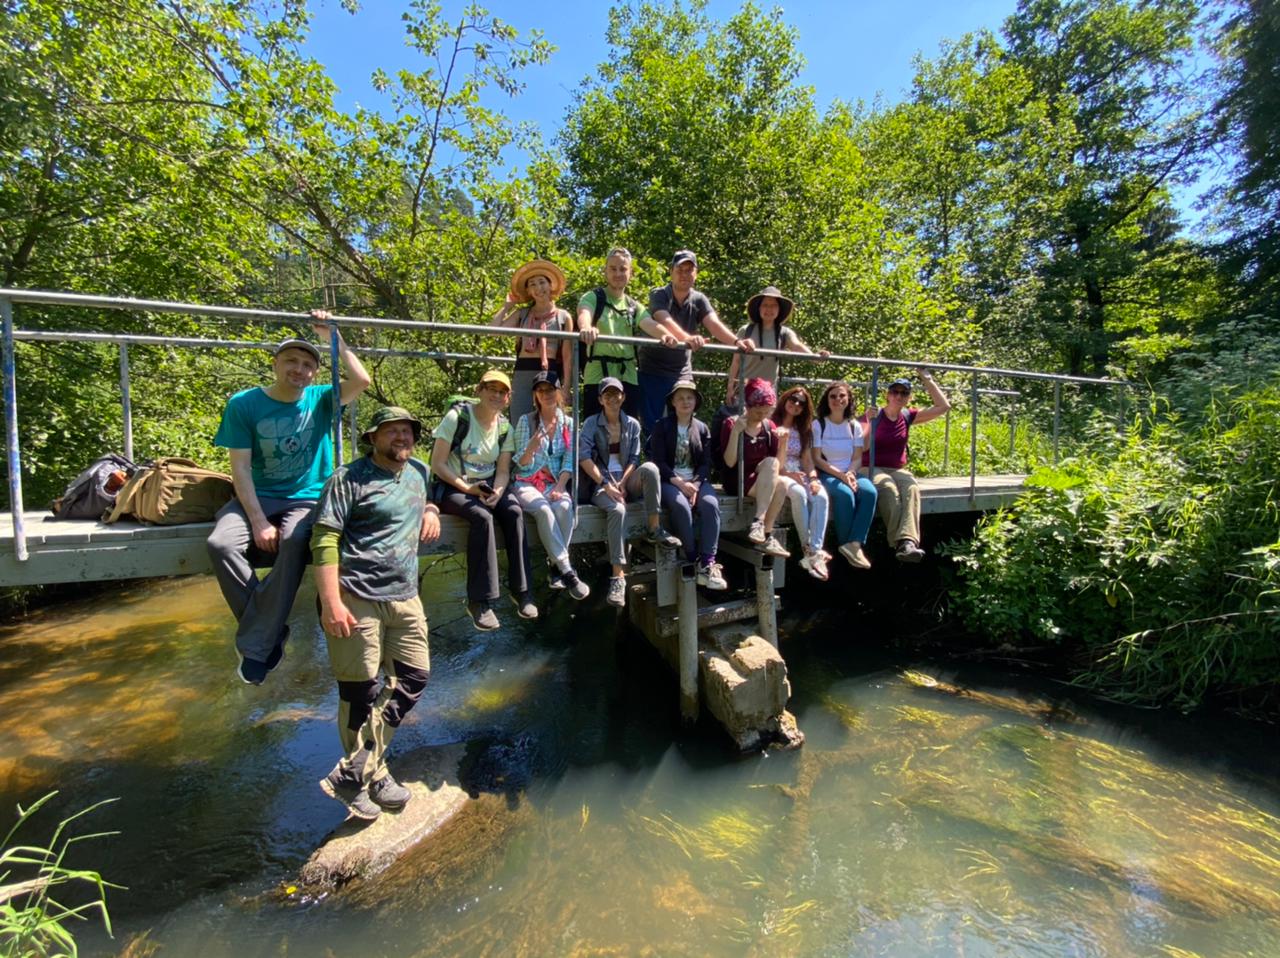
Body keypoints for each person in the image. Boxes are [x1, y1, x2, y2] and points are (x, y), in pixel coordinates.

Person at [208, 311, 371, 686]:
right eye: (290, 362)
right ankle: (268, 631)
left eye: (307, 365)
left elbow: (361, 379)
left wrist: (334, 337)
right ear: (275, 364)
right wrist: (258, 521)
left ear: (315, 372)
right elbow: (241, 469)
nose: (299, 370)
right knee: (219, 543)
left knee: (297, 540)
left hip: (307, 497)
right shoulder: (244, 404)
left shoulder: (321, 398)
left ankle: (258, 640)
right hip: (259, 496)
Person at [311, 406, 440, 821]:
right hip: (355, 597)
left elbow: (429, 498)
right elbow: (325, 539)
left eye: (407, 430)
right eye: (392, 431)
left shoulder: (419, 471)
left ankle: (353, 773)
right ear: (373, 437)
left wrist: (432, 511)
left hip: (405, 596)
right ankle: (375, 773)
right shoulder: (347, 479)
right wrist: (331, 602)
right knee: (360, 692)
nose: (401, 437)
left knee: (413, 678)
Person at [430, 369, 536, 630]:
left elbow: (502, 470)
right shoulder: (458, 418)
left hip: (488, 484)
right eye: (492, 389)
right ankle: (480, 601)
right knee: (482, 517)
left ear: (508, 398)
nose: (496, 395)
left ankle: (522, 592)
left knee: (513, 511)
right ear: (480, 390)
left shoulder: (504, 427)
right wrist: (467, 488)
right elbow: (437, 464)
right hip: (453, 484)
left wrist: (499, 491)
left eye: (502, 392)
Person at [578, 377, 681, 607]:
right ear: (600, 399)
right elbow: (583, 457)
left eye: (617, 394)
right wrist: (606, 484)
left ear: (623, 396)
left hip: (625, 480)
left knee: (651, 468)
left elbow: (635, 458)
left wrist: (623, 483)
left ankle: (654, 528)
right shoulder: (591, 424)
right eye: (608, 395)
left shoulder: (632, 424)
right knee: (617, 509)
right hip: (600, 484)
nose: (613, 399)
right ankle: (618, 576)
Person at [638, 250, 753, 432]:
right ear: (671, 272)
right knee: (653, 425)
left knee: (684, 421)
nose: (684, 274)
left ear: (696, 273)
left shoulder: (699, 299)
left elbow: (713, 323)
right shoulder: (659, 294)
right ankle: (654, 460)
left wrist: (736, 342)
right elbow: (663, 319)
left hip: (681, 371)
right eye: (680, 269)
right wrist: (688, 338)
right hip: (653, 370)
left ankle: (682, 459)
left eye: (689, 270)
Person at [511, 371, 590, 601]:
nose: (545, 394)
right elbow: (520, 464)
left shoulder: (569, 422)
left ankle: (555, 569)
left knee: (564, 507)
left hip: (555, 482)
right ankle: (567, 571)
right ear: (535, 395)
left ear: (558, 392)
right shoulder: (526, 421)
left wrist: (561, 485)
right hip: (527, 481)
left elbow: (569, 458)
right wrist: (531, 448)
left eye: (550, 389)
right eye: (540, 390)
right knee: (544, 510)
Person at [576, 247, 678, 420]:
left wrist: (666, 335)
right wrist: (586, 327)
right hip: (597, 374)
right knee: (593, 427)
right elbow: (584, 313)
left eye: (623, 269)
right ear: (605, 271)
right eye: (613, 268)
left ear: (630, 273)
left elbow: (649, 324)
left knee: (628, 427)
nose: (618, 273)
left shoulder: (633, 306)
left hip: (627, 376)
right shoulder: (594, 297)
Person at [861, 369, 951, 562]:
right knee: (887, 488)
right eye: (895, 392)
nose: (899, 396)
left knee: (911, 487)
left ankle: (908, 542)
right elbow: (860, 446)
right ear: (887, 395)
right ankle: (898, 542)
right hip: (870, 466)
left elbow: (943, 406)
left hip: (896, 468)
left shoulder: (907, 416)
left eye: (904, 393)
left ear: (909, 397)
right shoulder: (874, 414)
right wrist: (869, 421)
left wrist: (927, 379)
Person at [647, 380, 727, 590]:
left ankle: (708, 561)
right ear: (673, 401)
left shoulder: (701, 428)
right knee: (681, 506)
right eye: (680, 397)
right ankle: (692, 556)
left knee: (710, 504)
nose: (685, 401)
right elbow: (658, 462)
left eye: (689, 397)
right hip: (669, 480)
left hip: (697, 481)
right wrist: (680, 483)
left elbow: (705, 463)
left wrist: (697, 486)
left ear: (695, 402)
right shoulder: (661, 426)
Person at [494, 259, 574, 423]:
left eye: (542, 282)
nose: (538, 288)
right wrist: (507, 306)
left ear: (550, 285)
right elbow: (494, 331)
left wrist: (566, 387)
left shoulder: (563, 317)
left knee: (550, 422)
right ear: (528, 291)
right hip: (523, 371)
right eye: (532, 284)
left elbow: (567, 356)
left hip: (549, 372)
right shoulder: (522, 314)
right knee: (519, 420)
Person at [720, 377, 790, 561]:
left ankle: (765, 533)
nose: (762, 416)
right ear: (749, 406)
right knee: (774, 473)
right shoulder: (730, 423)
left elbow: (779, 466)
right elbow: (729, 462)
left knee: (781, 483)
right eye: (759, 412)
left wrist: (783, 443)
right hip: (738, 479)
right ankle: (759, 523)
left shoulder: (769, 426)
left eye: (766, 412)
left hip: (762, 479)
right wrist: (736, 432)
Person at [812, 381, 878, 570]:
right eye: (833, 396)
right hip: (828, 472)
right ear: (827, 399)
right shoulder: (819, 425)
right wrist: (841, 476)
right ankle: (844, 543)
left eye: (842, 396)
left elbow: (858, 456)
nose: (838, 400)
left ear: (848, 399)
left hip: (851, 471)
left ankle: (854, 544)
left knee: (869, 492)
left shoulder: (854, 425)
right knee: (844, 494)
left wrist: (850, 473)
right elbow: (816, 459)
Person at [725, 286, 828, 407]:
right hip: (744, 391)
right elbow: (736, 362)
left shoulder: (784, 333)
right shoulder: (746, 330)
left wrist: (815, 357)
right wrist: (730, 388)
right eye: (765, 305)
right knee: (742, 424)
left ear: (779, 309)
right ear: (759, 308)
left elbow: (797, 346)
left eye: (773, 305)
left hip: (768, 393)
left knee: (765, 425)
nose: (769, 309)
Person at [771, 385, 831, 580]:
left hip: (799, 472)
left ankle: (814, 550)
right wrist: (787, 473)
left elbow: (807, 460)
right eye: (793, 399)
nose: (796, 404)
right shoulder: (771, 423)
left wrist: (813, 479)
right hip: (776, 472)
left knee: (820, 495)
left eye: (801, 403)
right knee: (799, 494)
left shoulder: (803, 429)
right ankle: (810, 551)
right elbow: (767, 459)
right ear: (785, 399)